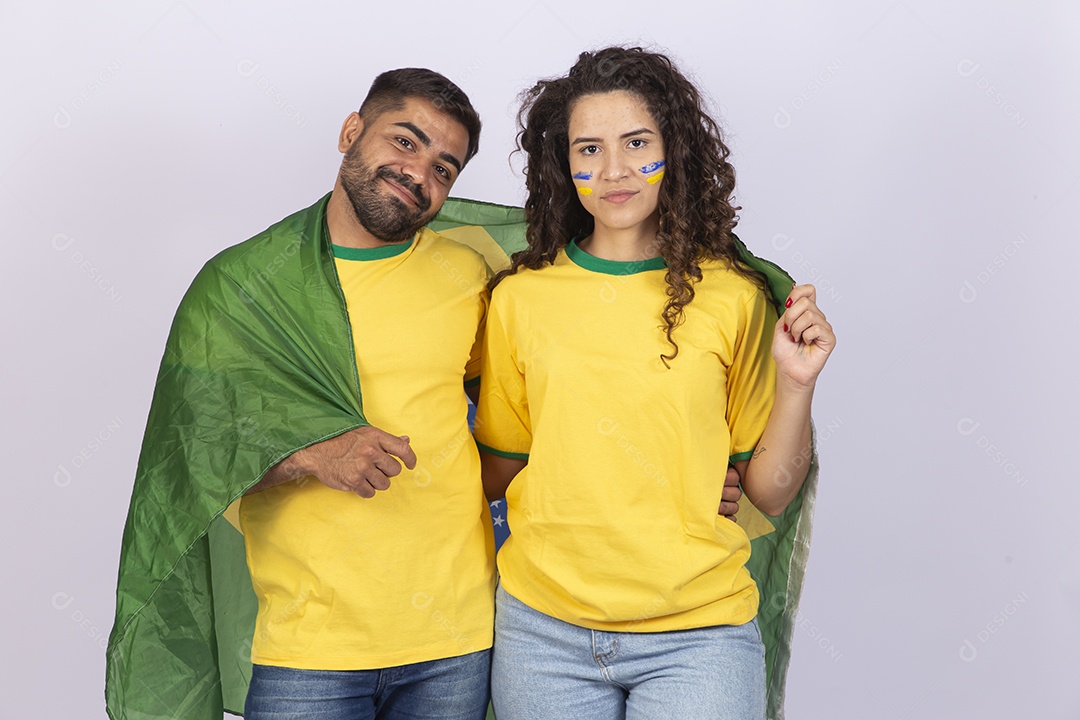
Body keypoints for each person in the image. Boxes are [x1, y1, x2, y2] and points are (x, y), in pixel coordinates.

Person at [107, 68, 496, 720]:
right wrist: (311, 454)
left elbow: (541, 404)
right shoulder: (243, 287)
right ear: (351, 131)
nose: (419, 174)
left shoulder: (469, 274)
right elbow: (187, 461)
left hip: (456, 637)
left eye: (444, 168)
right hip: (308, 647)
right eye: (405, 142)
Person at [475, 47, 836, 720]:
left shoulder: (731, 297)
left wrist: (796, 385)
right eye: (589, 149)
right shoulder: (519, 300)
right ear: (565, 163)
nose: (612, 170)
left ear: (675, 150)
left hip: (698, 634)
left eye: (636, 142)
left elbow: (768, 492)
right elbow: (499, 468)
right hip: (541, 633)